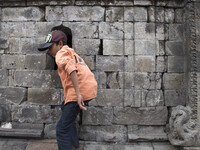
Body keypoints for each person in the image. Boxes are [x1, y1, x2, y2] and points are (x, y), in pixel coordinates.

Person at [38, 30, 98, 150]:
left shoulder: (61, 54)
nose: (49, 52)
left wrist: (78, 94)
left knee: (61, 129)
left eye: (50, 48)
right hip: (89, 89)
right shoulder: (71, 52)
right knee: (65, 108)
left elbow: (72, 69)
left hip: (79, 93)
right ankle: (74, 143)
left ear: (60, 43)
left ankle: (71, 144)